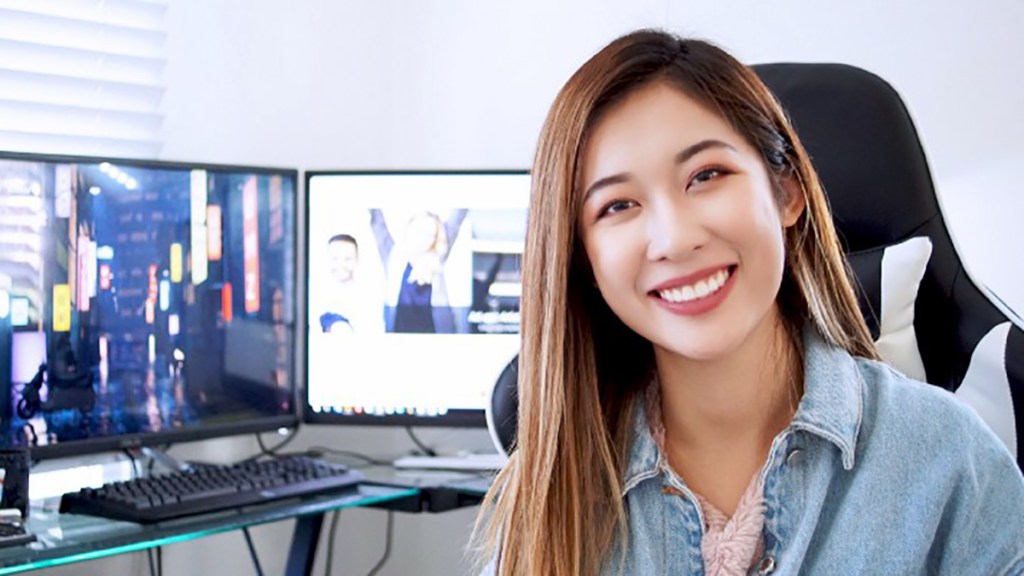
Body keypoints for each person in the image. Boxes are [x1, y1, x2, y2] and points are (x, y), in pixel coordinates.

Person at [474, 30, 1024, 575]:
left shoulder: (948, 459)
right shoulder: (546, 502)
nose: (675, 239)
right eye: (618, 206)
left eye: (706, 175)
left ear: (785, 192)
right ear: (582, 258)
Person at [369, 208, 469, 333]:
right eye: (419, 230)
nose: (423, 238)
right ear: (409, 229)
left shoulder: (439, 257)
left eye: (429, 234)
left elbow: (458, 216)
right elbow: (377, 221)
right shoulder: (392, 255)